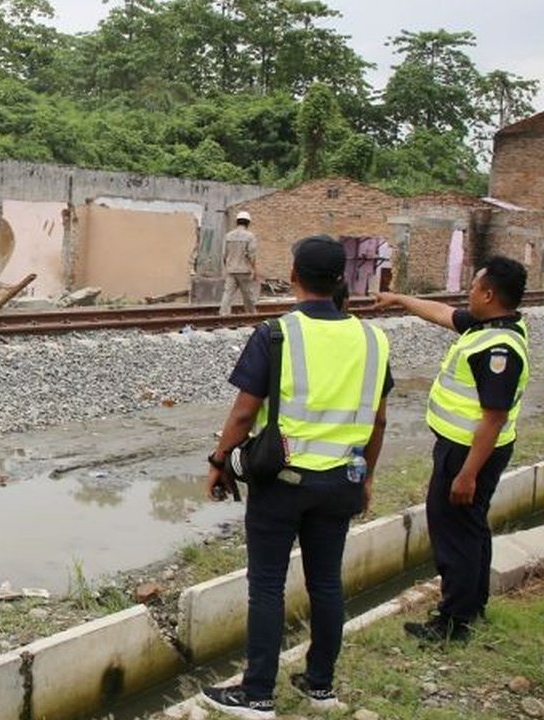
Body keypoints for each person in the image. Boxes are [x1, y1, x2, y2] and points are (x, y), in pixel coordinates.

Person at [202, 235, 393, 718]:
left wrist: (219, 461)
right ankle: (320, 686)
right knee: (326, 582)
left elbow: (245, 415)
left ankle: (258, 693)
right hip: (342, 482)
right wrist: (365, 477)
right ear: (341, 281)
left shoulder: (276, 333)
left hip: (282, 483)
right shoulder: (373, 338)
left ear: (293, 276)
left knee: (266, 584)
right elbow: (380, 419)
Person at [374, 256, 529, 643]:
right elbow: (444, 314)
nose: (468, 293)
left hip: (468, 454)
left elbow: (493, 418)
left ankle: (452, 623)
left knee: (454, 531)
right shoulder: (495, 325)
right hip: (469, 450)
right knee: (472, 526)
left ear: (489, 294)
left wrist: (467, 474)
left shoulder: (499, 350)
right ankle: (471, 606)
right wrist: (400, 299)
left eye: (474, 287)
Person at [220, 211, 259, 316]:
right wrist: (255, 271)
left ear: (237, 222)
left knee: (227, 293)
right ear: (248, 223)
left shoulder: (228, 236)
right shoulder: (250, 236)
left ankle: (224, 314)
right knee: (248, 295)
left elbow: (224, 255)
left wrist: (227, 266)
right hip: (244, 271)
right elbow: (252, 256)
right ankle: (251, 314)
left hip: (231, 270)